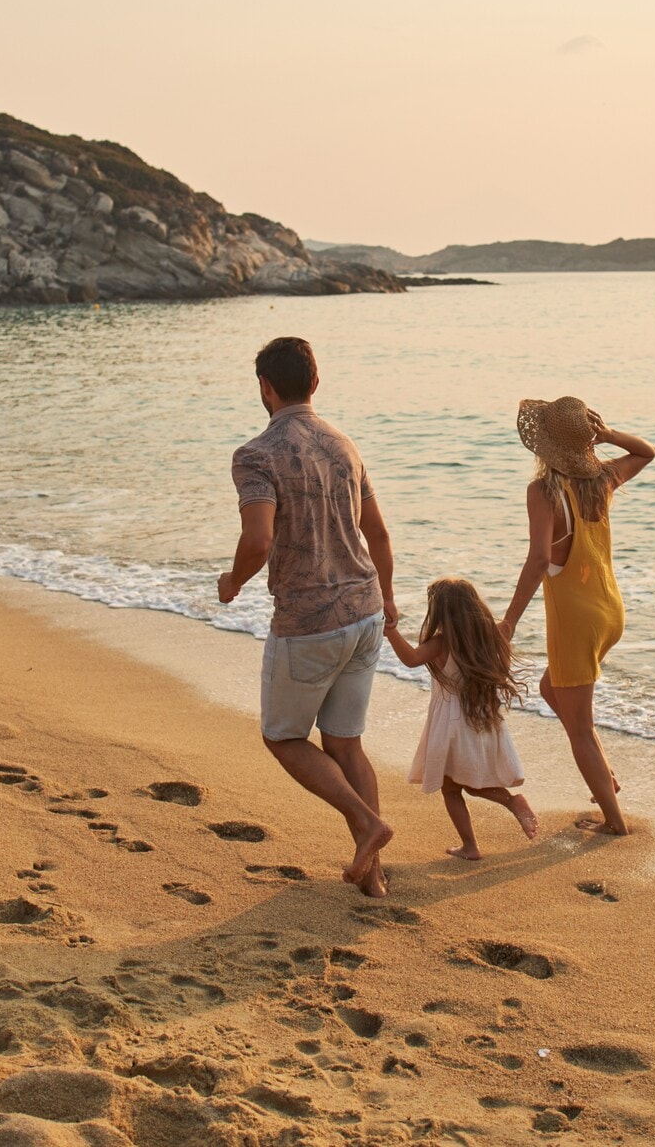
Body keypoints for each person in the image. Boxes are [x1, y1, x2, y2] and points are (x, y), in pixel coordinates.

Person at [219, 337, 397, 897]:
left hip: (310, 620)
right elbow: (380, 534)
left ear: (265, 388)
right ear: (314, 383)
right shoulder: (346, 446)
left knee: (284, 737)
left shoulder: (256, 454)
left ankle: (368, 825)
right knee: (346, 743)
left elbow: (259, 539)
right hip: (365, 610)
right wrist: (388, 602)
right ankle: (374, 881)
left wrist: (233, 581)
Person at [499, 397, 655, 835]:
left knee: (581, 730)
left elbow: (536, 562)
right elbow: (646, 451)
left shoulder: (544, 492)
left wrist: (509, 622)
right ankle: (604, 778)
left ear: (545, 446)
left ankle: (614, 821)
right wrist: (607, 437)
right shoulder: (602, 480)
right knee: (553, 689)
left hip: (576, 621)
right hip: (610, 612)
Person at [386, 577, 538, 860]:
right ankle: (488, 826)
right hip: (483, 716)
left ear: (440, 612)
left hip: (451, 723)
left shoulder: (441, 643)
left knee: (452, 788)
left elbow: (410, 658)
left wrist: (390, 631)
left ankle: (477, 838)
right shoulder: (493, 636)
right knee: (467, 781)